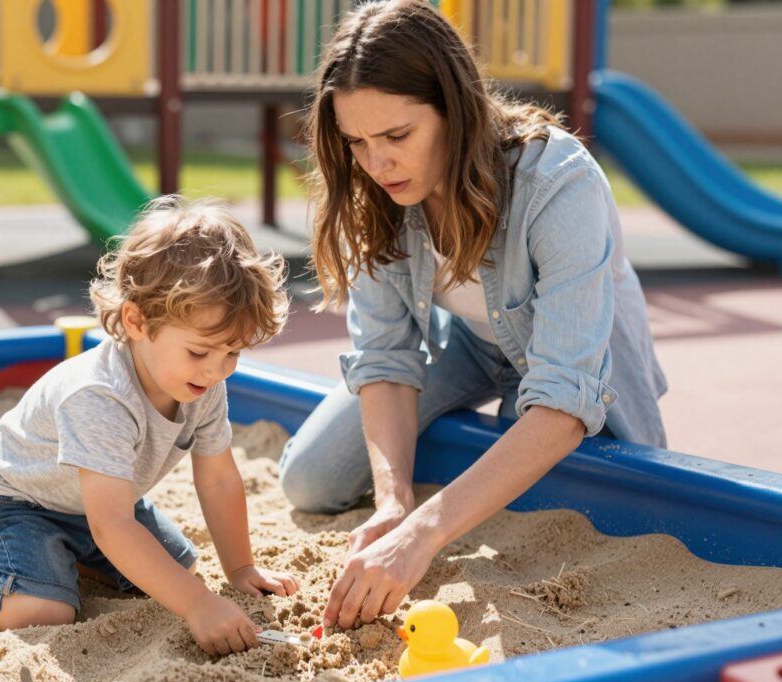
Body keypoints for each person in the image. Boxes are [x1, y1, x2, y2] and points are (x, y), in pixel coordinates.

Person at [278, 0, 667, 631]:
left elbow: (564, 401)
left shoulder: (559, 182)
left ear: (455, 111)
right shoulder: (374, 193)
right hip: (468, 344)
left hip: (579, 362)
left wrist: (422, 534)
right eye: (357, 142)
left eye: (397, 137)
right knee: (309, 480)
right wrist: (394, 505)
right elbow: (384, 358)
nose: (376, 164)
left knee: (548, 501)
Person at [0, 197, 298, 656]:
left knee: (180, 570)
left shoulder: (202, 383)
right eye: (200, 351)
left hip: (98, 500)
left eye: (233, 352)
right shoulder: (99, 396)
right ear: (137, 321)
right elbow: (113, 526)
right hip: (20, 500)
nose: (218, 369)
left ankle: (66, 558)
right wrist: (198, 605)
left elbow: (217, 479)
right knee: (42, 611)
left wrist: (239, 569)